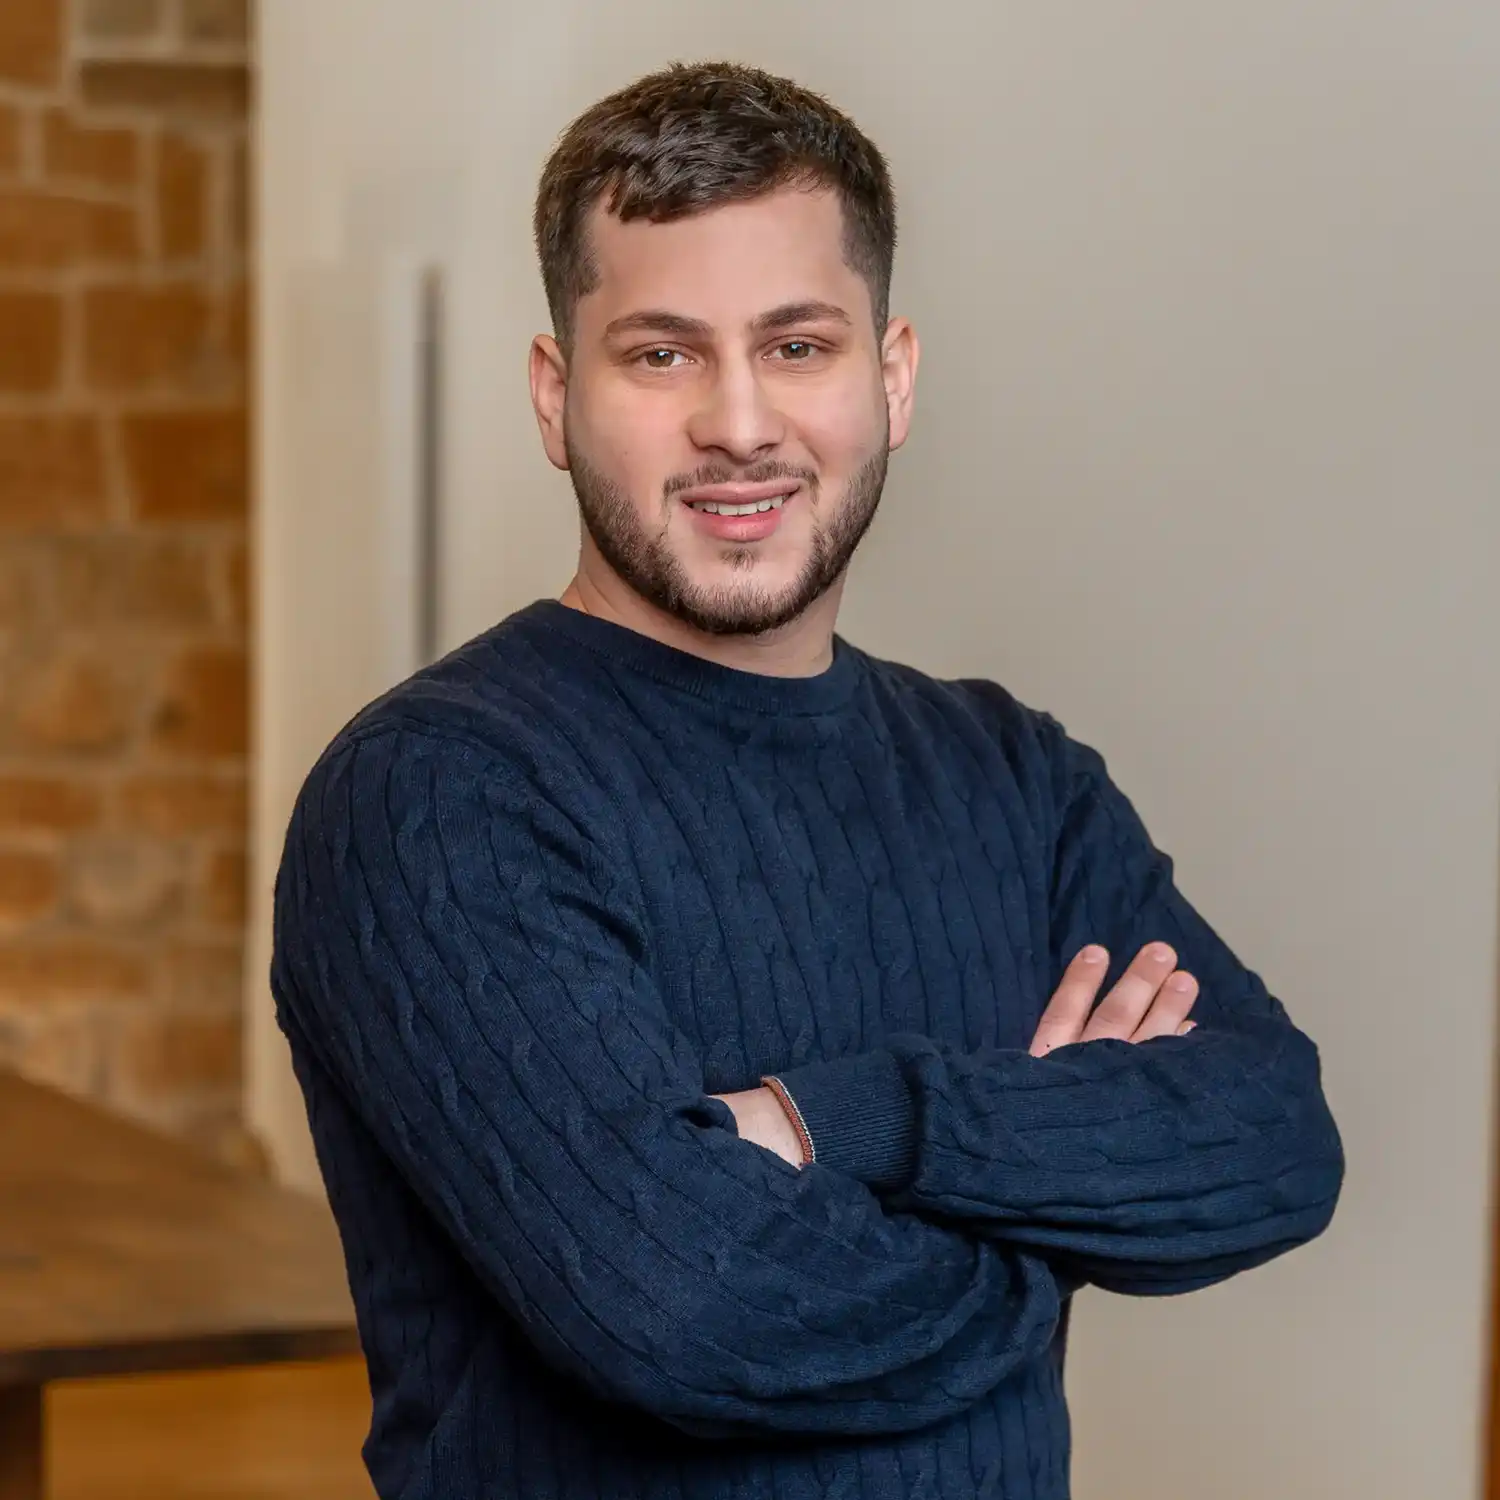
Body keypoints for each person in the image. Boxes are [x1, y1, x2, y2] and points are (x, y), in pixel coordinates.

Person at [271, 60, 1344, 1500]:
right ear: (555, 395)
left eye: (796, 345)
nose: (739, 423)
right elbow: (686, 1308)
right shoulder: (432, 796)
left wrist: (850, 1121)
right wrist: (1049, 1227)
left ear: (889, 379)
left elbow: (1276, 1140)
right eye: (662, 355)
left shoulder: (1012, 774)